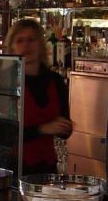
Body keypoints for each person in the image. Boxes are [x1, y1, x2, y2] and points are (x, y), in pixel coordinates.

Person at [5, 18, 72, 174]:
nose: (26, 45)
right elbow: (1, 133)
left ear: (41, 45)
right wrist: (42, 129)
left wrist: (64, 127)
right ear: (12, 47)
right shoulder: (7, 80)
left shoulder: (55, 80)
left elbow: (65, 132)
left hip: (47, 169)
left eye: (31, 40)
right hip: (13, 168)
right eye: (20, 40)